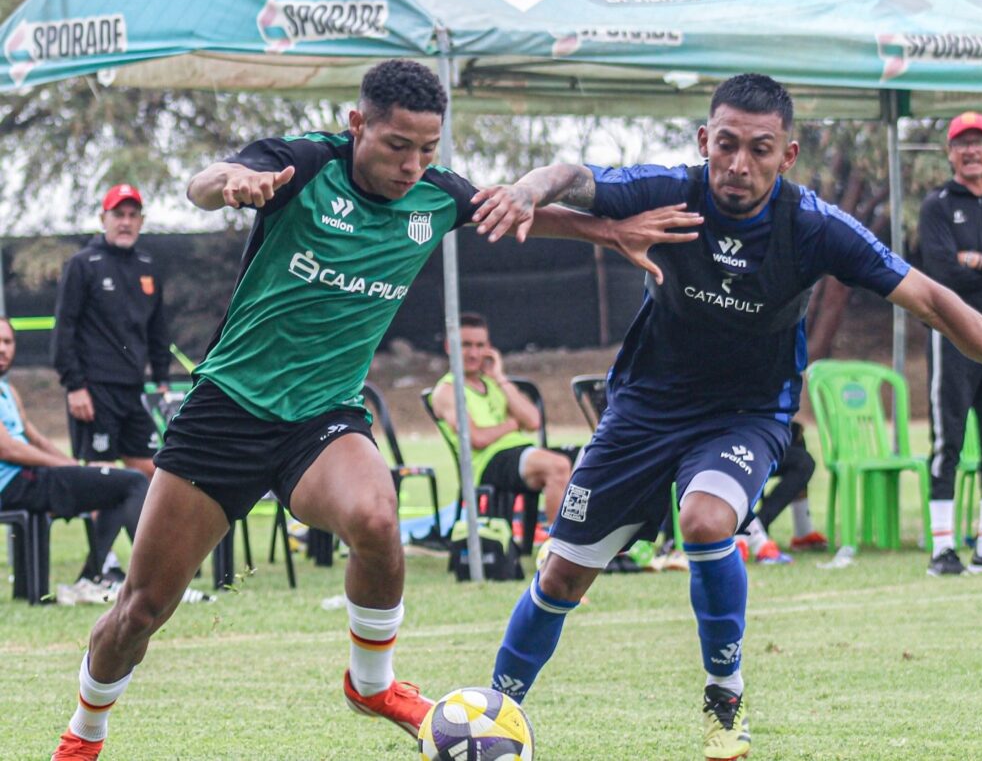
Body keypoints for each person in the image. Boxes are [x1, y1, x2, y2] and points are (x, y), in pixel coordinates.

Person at [50, 59, 699, 760]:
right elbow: (202, 182)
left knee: (377, 517)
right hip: (228, 412)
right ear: (357, 124)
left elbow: (519, 212)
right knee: (142, 609)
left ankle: (371, 682)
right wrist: (228, 183)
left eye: (429, 148)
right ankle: (85, 731)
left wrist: (607, 234)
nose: (414, 164)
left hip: (322, 416)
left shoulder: (435, 197)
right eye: (398, 145)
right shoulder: (302, 164)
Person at [471, 74, 982, 761]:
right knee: (562, 574)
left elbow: (936, 302)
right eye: (726, 144)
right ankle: (495, 709)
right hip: (644, 408)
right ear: (705, 140)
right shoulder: (674, 189)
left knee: (707, 518)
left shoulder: (814, 226)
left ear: (787, 154)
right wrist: (527, 191)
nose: (739, 163)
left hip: (747, 414)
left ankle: (723, 699)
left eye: (759, 149)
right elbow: (574, 174)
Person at [918, 111, 982, 576]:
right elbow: (942, 273)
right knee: (949, 441)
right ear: (951, 153)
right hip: (952, 336)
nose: (971, 151)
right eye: (962, 143)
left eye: (979, 142)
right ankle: (942, 549)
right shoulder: (937, 205)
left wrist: (980, 261)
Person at [0, 317, 147, 600]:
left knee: (118, 487)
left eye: (8, 342)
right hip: (15, 484)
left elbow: (36, 439)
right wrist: (66, 466)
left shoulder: (9, 391)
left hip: (31, 478)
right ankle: (153, 581)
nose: (3, 349)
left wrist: (74, 465)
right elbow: (8, 450)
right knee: (133, 481)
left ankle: (92, 577)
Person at [52, 184, 170, 482]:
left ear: (141, 221)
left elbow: (157, 329)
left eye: (133, 215)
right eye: (118, 214)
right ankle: (100, 531)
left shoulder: (148, 267)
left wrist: (162, 379)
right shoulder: (83, 264)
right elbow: (65, 327)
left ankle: (145, 532)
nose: (126, 222)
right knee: (99, 475)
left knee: (150, 472)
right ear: (103, 218)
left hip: (135, 389)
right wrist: (74, 385)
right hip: (94, 389)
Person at [431, 312, 577, 530]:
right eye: (465, 345)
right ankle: (559, 549)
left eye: (480, 346)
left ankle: (597, 544)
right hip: (488, 463)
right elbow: (476, 439)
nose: (473, 353)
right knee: (557, 466)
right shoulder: (447, 390)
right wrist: (512, 424)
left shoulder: (492, 384)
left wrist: (499, 377)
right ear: (449, 347)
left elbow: (533, 421)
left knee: (589, 459)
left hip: (519, 453)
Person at [736, 420, 826, 564]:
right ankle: (753, 529)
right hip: (740, 442)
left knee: (796, 436)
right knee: (803, 462)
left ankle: (800, 531)